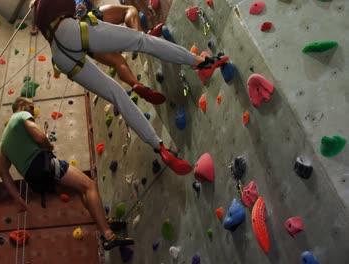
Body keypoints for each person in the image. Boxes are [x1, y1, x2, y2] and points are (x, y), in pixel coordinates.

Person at [30, 0, 228, 175]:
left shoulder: (38, 10)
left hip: (60, 56)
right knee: (141, 40)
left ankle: (160, 148)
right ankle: (202, 62)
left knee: (116, 94)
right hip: (69, 31)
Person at [0, 97, 134, 250]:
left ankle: (102, 220)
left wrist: (18, 199)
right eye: (31, 108)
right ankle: (108, 234)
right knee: (90, 185)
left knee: (81, 189)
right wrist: (48, 145)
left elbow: (3, 173)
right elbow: (40, 137)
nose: (32, 113)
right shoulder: (20, 116)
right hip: (43, 165)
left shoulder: (4, 141)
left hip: (35, 180)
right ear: (21, 106)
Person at [75, 0, 167, 105]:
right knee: (128, 10)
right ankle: (143, 37)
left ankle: (136, 84)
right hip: (89, 20)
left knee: (118, 62)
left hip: (84, 43)